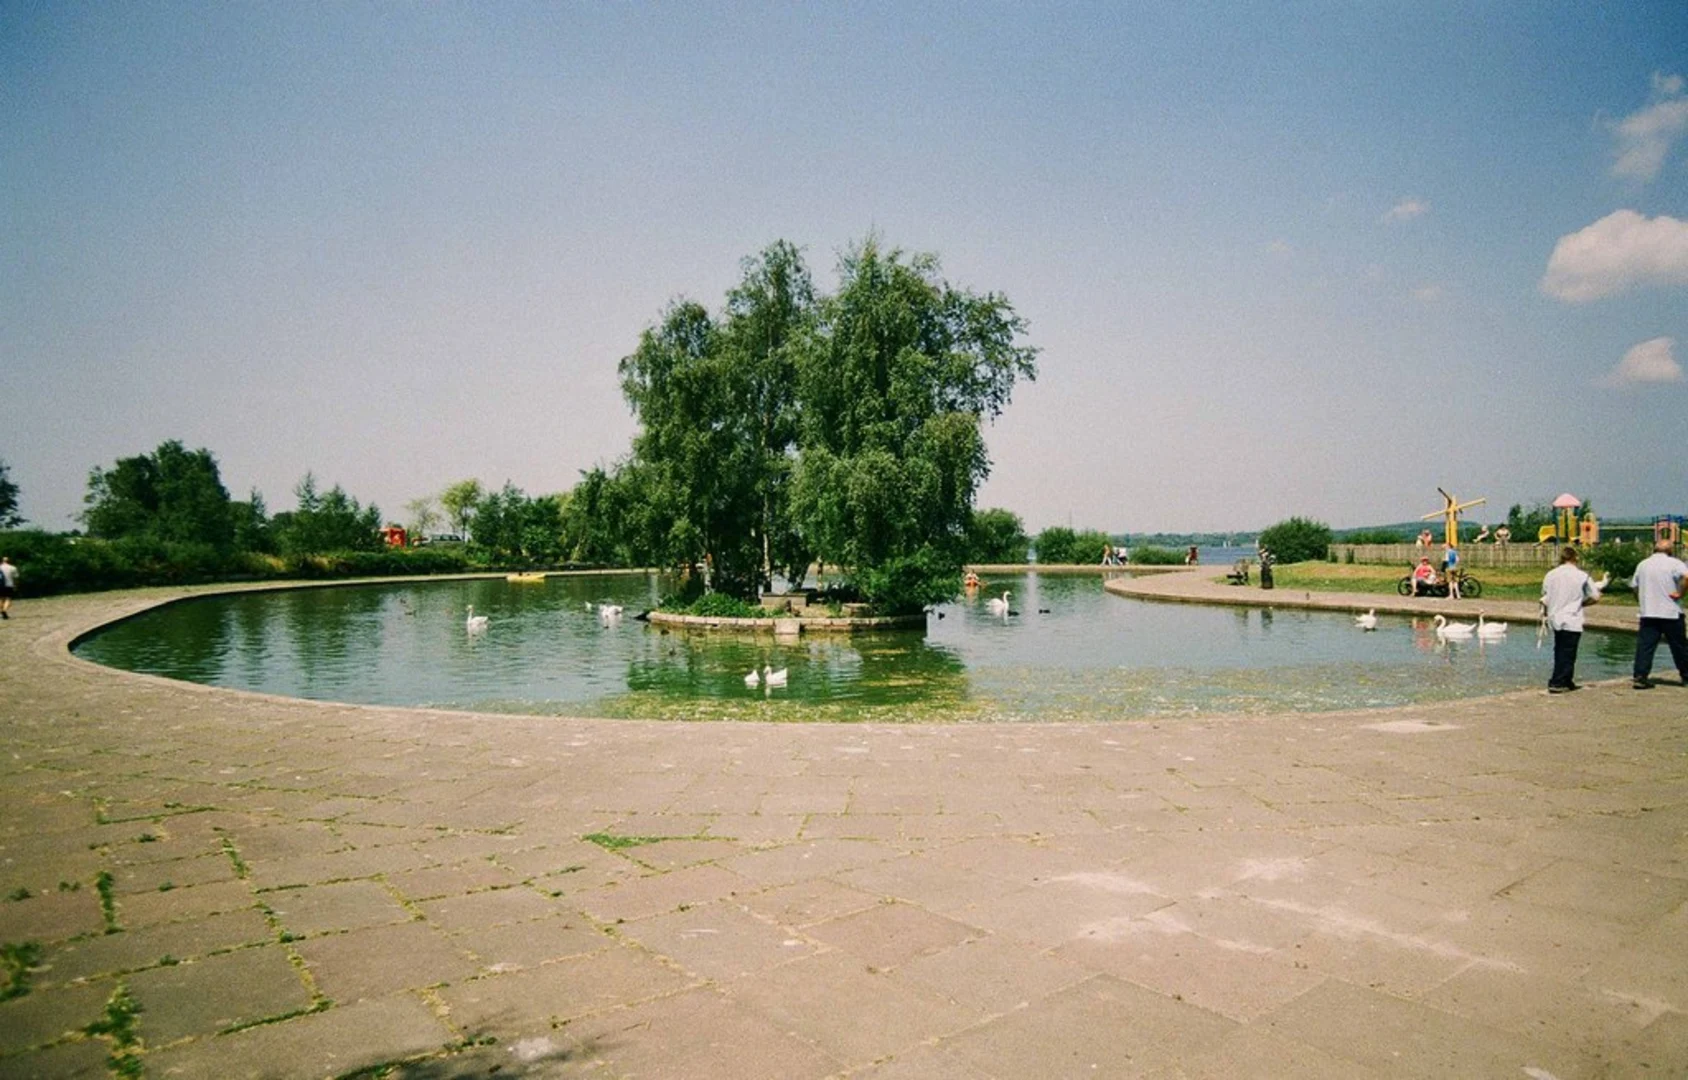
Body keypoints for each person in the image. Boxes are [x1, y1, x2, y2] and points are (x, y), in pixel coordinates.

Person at [1628, 539, 1688, 689]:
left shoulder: (1643, 564)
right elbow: (1686, 577)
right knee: (1679, 646)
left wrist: (1640, 600)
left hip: (1648, 611)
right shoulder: (1674, 563)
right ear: (1670, 550)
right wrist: (1680, 593)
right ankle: (1686, 675)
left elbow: (1634, 585)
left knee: (1645, 646)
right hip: (1670, 611)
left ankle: (1640, 675)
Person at [1540, 547, 1601, 693]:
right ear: (1575, 558)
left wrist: (1546, 613)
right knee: (1569, 651)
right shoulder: (1582, 576)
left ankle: (1565, 679)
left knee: (1559, 649)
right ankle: (1559, 681)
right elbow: (1596, 596)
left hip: (1555, 616)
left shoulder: (1551, 575)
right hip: (1572, 616)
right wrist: (1582, 603)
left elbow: (1545, 596)